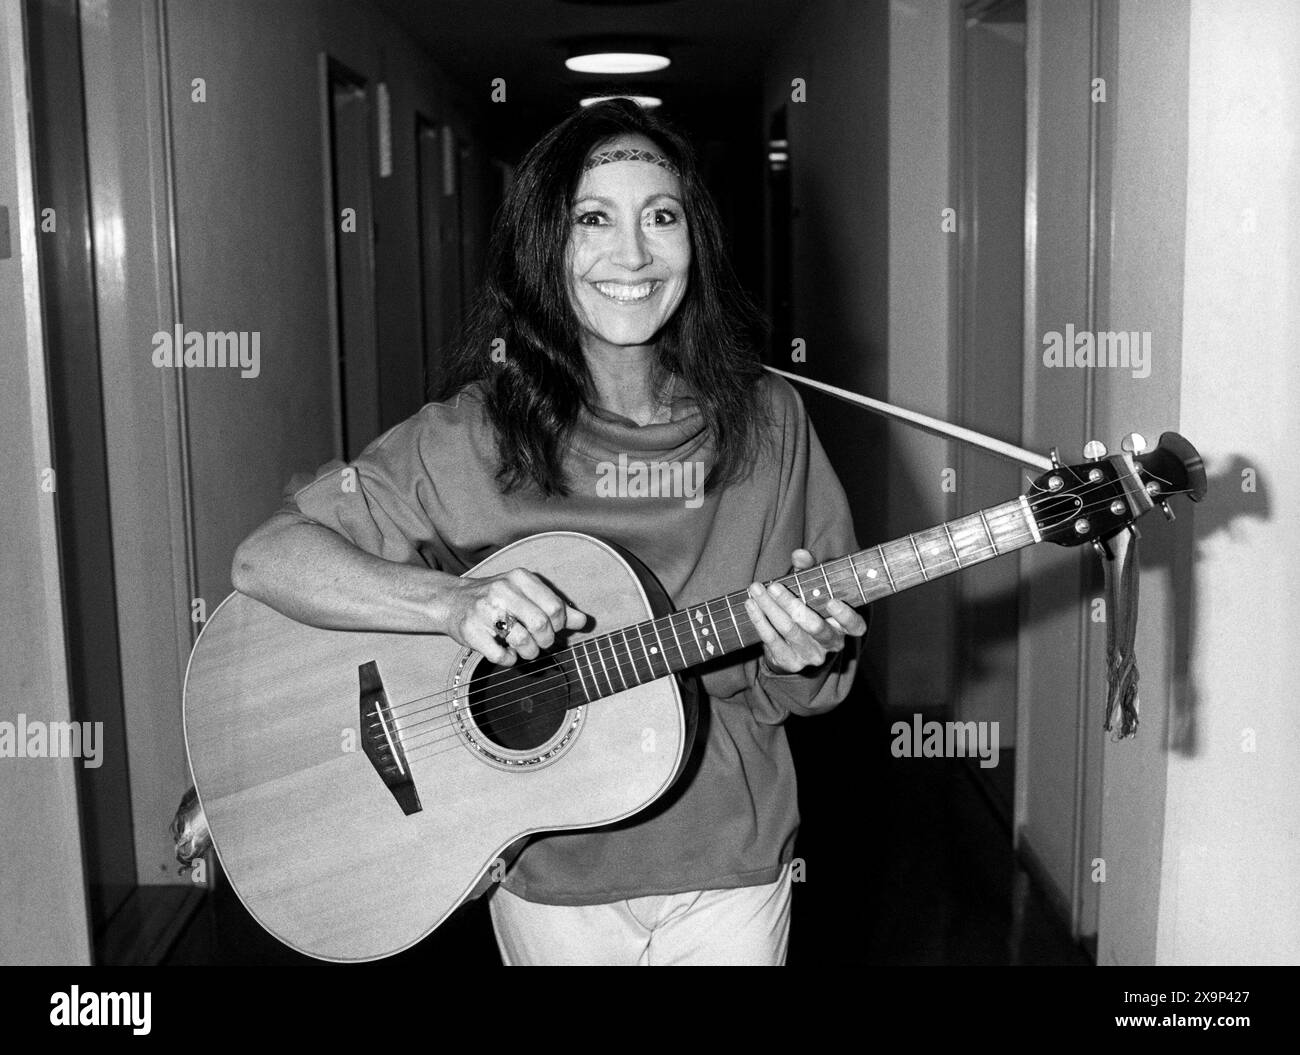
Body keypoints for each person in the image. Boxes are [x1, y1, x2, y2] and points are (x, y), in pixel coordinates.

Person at [231, 98, 867, 966]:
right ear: (545, 246)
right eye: (592, 219)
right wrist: (448, 602)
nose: (633, 255)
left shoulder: (770, 421)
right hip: (545, 871)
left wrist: (806, 655)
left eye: (662, 216)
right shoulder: (472, 434)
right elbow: (266, 558)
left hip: (732, 861)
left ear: (696, 242)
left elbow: (805, 688)